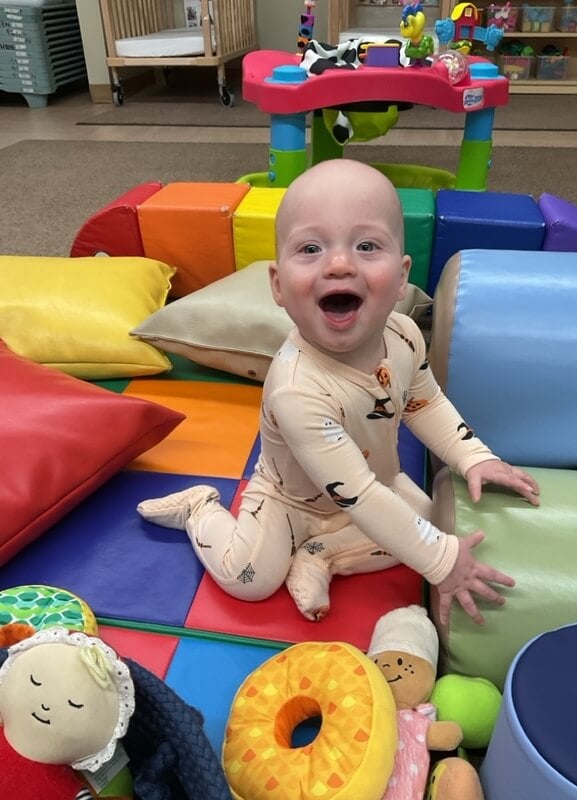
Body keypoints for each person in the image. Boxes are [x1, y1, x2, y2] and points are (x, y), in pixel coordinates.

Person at [137, 159, 540, 626]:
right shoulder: (297, 388)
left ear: (403, 277)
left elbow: (423, 402)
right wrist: (442, 563)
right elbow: (363, 497)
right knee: (248, 579)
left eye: (367, 245)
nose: (341, 264)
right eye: (310, 248)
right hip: (292, 502)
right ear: (279, 286)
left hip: (375, 485)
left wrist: (473, 456)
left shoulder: (406, 335)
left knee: (436, 527)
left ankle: (321, 555)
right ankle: (198, 509)